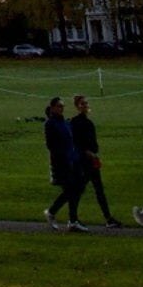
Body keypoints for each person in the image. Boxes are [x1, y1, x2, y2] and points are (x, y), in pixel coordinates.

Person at [68, 97, 129, 227]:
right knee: (79, 190)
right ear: (77, 106)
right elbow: (75, 142)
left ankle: (108, 218)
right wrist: (87, 152)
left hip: (92, 160)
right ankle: (72, 218)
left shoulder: (88, 123)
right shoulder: (75, 122)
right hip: (83, 162)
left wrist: (94, 154)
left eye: (86, 103)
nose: (85, 105)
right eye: (82, 104)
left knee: (98, 189)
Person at [39, 101, 82, 230]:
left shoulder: (65, 123)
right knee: (71, 190)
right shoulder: (50, 124)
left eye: (62, 106)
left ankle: (71, 220)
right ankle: (54, 213)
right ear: (52, 108)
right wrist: (63, 156)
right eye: (59, 106)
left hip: (71, 160)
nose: (62, 108)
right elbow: (51, 145)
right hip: (60, 163)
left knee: (74, 190)